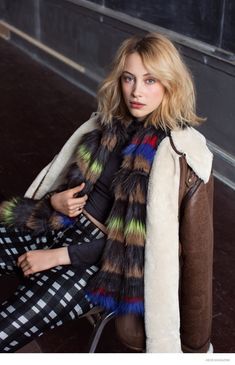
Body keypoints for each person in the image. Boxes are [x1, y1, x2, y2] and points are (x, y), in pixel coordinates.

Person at [0, 32, 213, 353]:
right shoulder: (109, 124)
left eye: (150, 80)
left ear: (170, 84)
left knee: (6, 327)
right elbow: (71, 184)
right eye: (129, 78)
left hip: (105, 262)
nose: (136, 91)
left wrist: (58, 257)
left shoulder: (174, 154)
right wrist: (56, 201)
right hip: (62, 224)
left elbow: (148, 248)